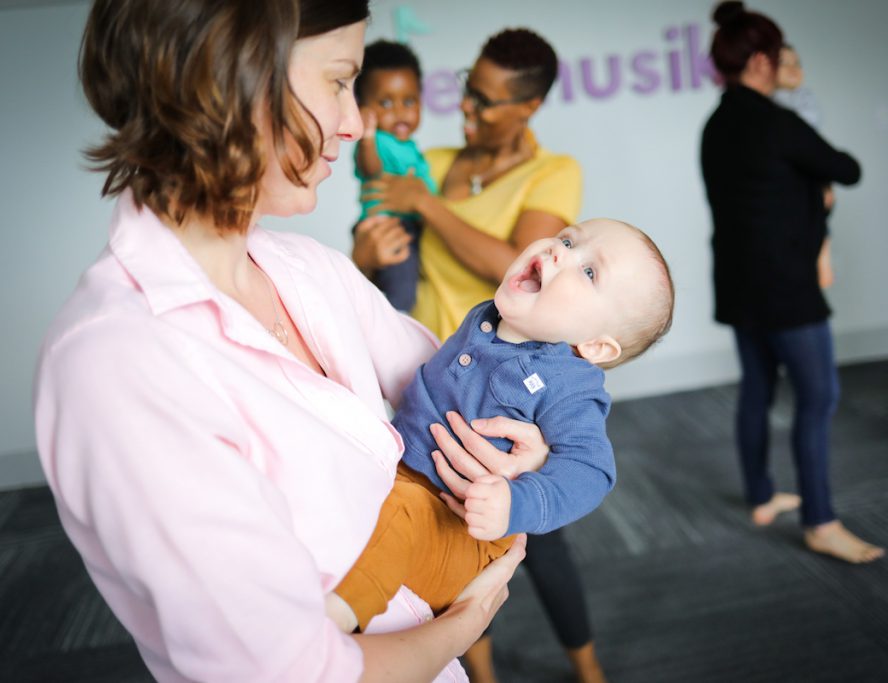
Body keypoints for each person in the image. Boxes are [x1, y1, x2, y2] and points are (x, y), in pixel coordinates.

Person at [31, 1, 556, 681]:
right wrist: (462, 623)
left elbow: (466, 391)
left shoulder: (309, 270)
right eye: (340, 80)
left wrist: (527, 440)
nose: (356, 122)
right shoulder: (115, 362)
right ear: (232, 75)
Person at [351, 28, 607, 683]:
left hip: (510, 399)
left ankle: (588, 668)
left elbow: (513, 262)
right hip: (430, 389)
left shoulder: (554, 173)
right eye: (467, 90)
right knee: (441, 536)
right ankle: (479, 672)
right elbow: (381, 216)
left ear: (528, 108)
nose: (466, 109)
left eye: (486, 102)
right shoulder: (432, 159)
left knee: (535, 544)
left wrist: (426, 204)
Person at [330, 219, 675, 633]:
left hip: (458, 527)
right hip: (399, 474)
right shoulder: (489, 318)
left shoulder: (569, 386)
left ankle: (332, 624)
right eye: (568, 238)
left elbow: (592, 470)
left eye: (589, 271)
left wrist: (517, 503)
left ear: (596, 346)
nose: (559, 251)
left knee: (398, 518)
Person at [701, 1, 884, 564]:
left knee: (758, 388)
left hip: (737, 283)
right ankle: (821, 522)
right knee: (818, 397)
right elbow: (846, 168)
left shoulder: (716, 124)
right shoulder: (779, 123)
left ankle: (761, 496)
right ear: (760, 61)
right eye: (778, 55)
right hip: (786, 288)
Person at [352, 39, 436, 311]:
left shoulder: (409, 146)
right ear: (363, 108)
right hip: (388, 227)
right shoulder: (376, 141)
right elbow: (371, 169)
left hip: (409, 223)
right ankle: (396, 322)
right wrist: (366, 137)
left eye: (409, 101)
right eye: (385, 103)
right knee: (401, 290)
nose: (400, 112)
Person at [774, 43, 835, 290]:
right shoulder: (770, 105)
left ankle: (822, 264)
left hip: (811, 180)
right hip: (789, 190)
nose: (793, 69)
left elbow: (815, 147)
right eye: (784, 63)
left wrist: (826, 183)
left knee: (819, 225)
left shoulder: (806, 99)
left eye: (796, 63)